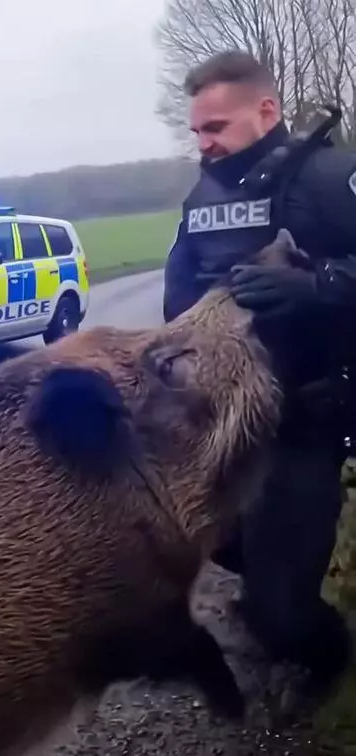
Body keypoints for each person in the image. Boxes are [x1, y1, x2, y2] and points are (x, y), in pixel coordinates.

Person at [163, 50, 356, 704]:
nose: (204, 142)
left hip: (311, 415)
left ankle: (323, 653)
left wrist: (315, 284)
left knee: (280, 605)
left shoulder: (331, 178)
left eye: (215, 126)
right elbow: (179, 297)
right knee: (208, 540)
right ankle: (277, 585)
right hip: (232, 424)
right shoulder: (204, 196)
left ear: (266, 111)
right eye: (197, 130)